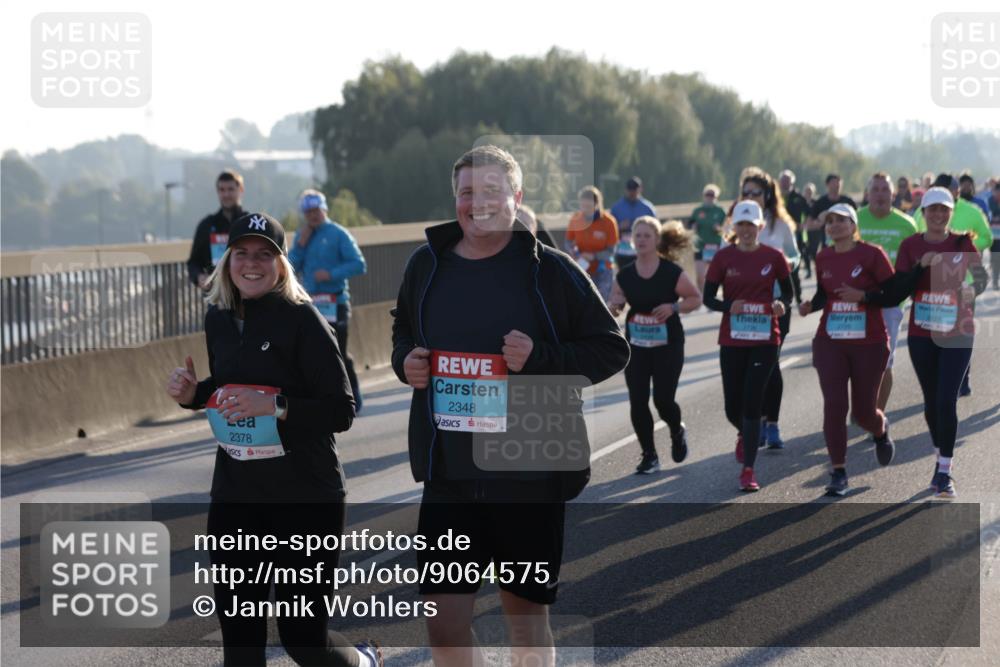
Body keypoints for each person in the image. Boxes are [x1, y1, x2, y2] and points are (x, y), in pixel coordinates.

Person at [390, 145, 629, 667]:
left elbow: (611, 348)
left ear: (516, 198)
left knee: (525, 622)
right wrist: (404, 359)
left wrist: (542, 357)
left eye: (492, 191)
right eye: (468, 192)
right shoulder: (425, 265)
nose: (479, 203)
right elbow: (403, 327)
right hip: (450, 475)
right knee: (444, 626)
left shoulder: (552, 272)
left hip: (528, 472)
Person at [166, 212, 382, 667]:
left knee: (303, 641)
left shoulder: (304, 320)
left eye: (265, 254)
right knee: (240, 646)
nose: (251, 263)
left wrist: (277, 406)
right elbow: (231, 386)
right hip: (236, 493)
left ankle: (363, 662)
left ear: (281, 266)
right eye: (241, 253)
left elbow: (341, 409)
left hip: (305, 495)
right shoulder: (218, 318)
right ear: (227, 262)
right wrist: (194, 395)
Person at [799, 203, 904, 496]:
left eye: (840, 220)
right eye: (829, 221)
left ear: (853, 225)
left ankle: (880, 428)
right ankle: (839, 471)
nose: (834, 225)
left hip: (869, 342)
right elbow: (825, 294)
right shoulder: (823, 256)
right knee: (834, 405)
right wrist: (811, 304)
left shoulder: (872, 255)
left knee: (862, 414)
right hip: (830, 340)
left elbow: (893, 293)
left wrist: (864, 296)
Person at [895, 187, 989, 498]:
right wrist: (921, 266)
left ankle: (945, 470)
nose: (938, 215)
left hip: (958, 331)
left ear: (950, 213)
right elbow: (900, 288)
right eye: (932, 209)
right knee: (931, 403)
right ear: (923, 213)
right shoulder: (910, 246)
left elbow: (982, 279)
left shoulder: (963, 243)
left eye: (943, 210)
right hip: (922, 331)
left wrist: (971, 291)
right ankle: (939, 454)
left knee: (947, 399)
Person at [704, 201, 792, 492]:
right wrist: (730, 305)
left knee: (753, 403)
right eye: (741, 225)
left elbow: (787, 295)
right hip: (733, 338)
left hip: (765, 339)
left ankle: (749, 470)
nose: (745, 231)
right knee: (733, 407)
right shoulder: (723, 258)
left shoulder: (774, 257)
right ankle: (744, 432)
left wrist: (781, 305)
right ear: (734, 227)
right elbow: (708, 298)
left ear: (760, 228)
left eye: (751, 225)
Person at [608, 216, 702, 474]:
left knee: (662, 400)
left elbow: (695, 298)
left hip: (668, 344)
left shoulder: (671, 272)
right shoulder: (626, 274)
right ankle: (649, 455)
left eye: (646, 236)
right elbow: (615, 300)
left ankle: (676, 428)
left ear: (657, 240)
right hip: (636, 345)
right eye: (637, 236)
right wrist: (614, 306)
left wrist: (673, 307)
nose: (641, 240)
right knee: (637, 400)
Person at [738, 167, 800, 448]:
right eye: (746, 192)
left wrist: (785, 265)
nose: (751, 197)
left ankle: (771, 424)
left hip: (774, 303)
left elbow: (795, 255)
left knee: (771, 362)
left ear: (768, 195)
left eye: (756, 193)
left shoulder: (779, 224)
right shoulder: (736, 222)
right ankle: (757, 418)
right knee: (750, 366)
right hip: (745, 306)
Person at [913, 174, 991, 397]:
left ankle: (961, 379)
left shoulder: (972, 211)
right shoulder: (922, 213)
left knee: (961, 333)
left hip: (963, 283)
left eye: (952, 194)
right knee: (934, 333)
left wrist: (965, 251)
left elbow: (986, 237)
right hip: (931, 287)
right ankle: (942, 379)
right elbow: (916, 239)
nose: (939, 212)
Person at [289, 190, 367, 412]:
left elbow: (359, 264)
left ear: (324, 209)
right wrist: (299, 246)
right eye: (308, 212)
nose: (313, 216)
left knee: (338, 351)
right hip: (311, 304)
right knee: (311, 354)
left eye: (316, 211)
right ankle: (321, 398)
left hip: (336, 302)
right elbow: (290, 268)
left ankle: (354, 396)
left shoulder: (338, 234)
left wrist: (331, 274)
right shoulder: (302, 235)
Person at [856, 172, 918, 413]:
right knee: (857, 362)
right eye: (875, 190)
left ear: (893, 194)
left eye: (885, 190)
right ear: (867, 193)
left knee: (884, 362)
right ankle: (863, 405)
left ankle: (876, 415)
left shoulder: (906, 225)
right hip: (856, 303)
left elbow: (915, 266)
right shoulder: (855, 220)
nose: (880, 194)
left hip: (891, 304)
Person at [187, 170, 245, 289]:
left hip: (246, 293)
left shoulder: (249, 223)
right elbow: (193, 263)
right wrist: (199, 277)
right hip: (217, 295)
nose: (226, 194)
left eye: (230, 189)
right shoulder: (206, 225)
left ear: (240, 190)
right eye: (222, 190)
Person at [565, 186, 619, 300]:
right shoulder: (576, 219)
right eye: (582, 206)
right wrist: (572, 251)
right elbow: (568, 241)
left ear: (597, 204)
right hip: (582, 266)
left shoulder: (609, 222)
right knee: (581, 301)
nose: (585, 210)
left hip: (603, 269)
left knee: (601, 302)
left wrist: (593, 256)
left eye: (588, 206)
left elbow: (611, 251)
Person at [609, 176, 657, 270]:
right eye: (630, 189)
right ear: (625, 190)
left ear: (640, 189)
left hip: (644, 249)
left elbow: (656, 229)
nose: (632, 192)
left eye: (635, 189)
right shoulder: (616, 208)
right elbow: (609, 230)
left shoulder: (648, 208)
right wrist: (619, 227)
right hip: (623, 251)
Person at [805, 174, 858, 257]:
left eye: (838, 184)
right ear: (827, 184)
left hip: (849, 245)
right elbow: (809, 225)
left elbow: (858, 220)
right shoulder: (820, 202)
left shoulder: (848, 202)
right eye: (833, 183)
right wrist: (820, 221)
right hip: (827, 244)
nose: (836, 186)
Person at [690, 183, 726, 294]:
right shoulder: (697, 210)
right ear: (703, 195)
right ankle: (701, 297)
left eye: (712, 195)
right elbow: (691, 224)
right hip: (700, 246)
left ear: (716, 197)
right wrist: (693, 227)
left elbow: (726, 229)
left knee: (714, 274)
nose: (709, 197)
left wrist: (719, 228)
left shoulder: (720, 211)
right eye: (707, 194)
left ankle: (712, 295)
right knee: (700, 275)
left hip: (714, 246)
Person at [779, 169, 811, 282]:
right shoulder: (775, 197)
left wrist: (804, 225)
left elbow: (808, 212)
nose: (784, 183)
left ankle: (797, 294)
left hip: (795, 234)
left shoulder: (798, 197)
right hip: (778, 234)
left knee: (794, 263)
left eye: (787, 181)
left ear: (792, 182)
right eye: (782, 181)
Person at [989, 182, 1000, 290]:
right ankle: (995, 281)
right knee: (996, 259)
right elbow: (994, 211)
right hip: (994, 236)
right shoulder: (991, 200)